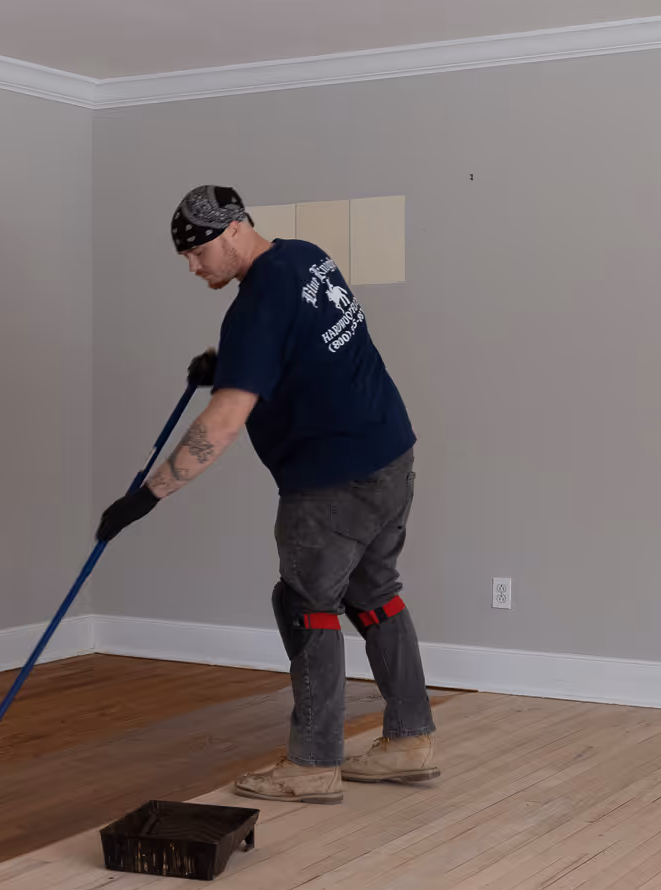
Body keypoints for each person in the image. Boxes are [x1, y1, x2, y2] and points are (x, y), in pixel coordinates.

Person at [95, 185, 438, 804]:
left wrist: (148, 495)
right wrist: (223, 363)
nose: (192, 266)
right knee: (375, 593)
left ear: (233, 231)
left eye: (196, 251)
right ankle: (410, 740)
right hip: (390, 455)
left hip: (329, 480)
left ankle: (311, 764)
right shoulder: (305, 258)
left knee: (304, 603)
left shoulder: (253, 304)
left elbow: (221, 426)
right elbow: (295, 338)